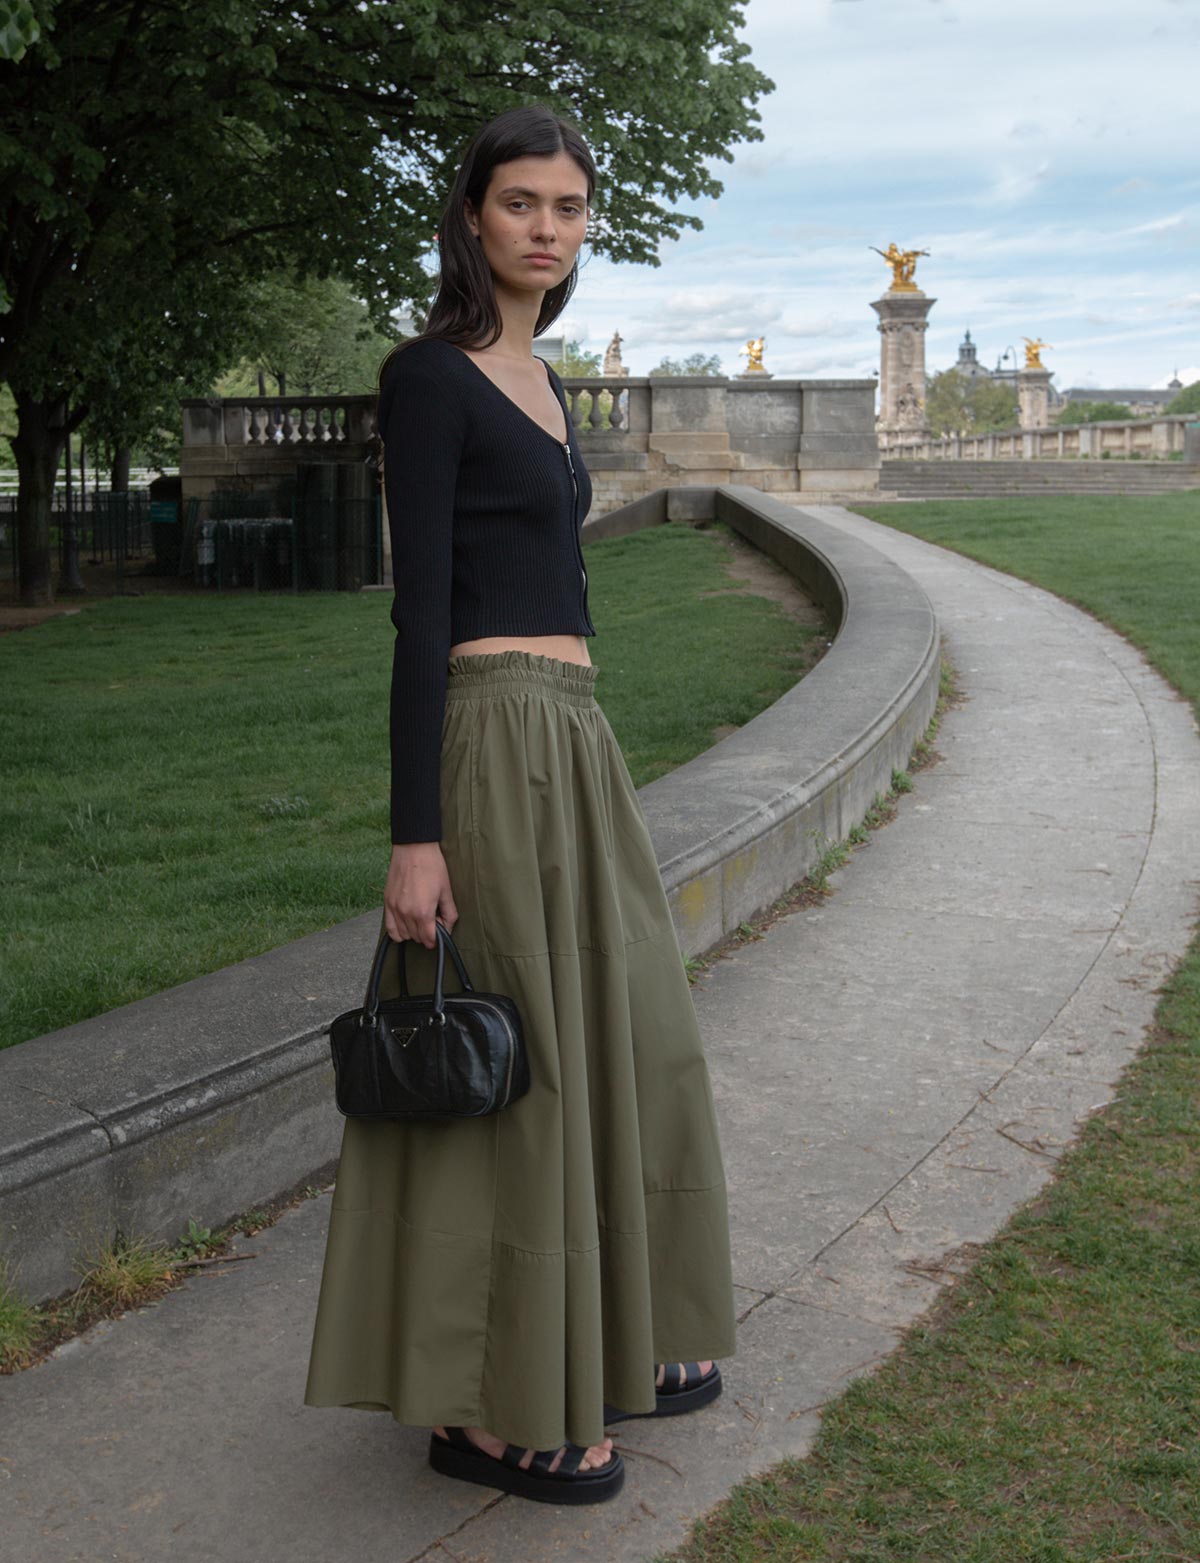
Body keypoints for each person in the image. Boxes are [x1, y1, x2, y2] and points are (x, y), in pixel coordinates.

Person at [304, 103, 736, 1507]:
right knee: (522, 1069)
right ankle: (490, 1407)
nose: (546, 227)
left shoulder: (544, 378)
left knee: (626, 1034)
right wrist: (414, 834)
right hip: (489, 739)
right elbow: (417, 613)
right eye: (519, 202)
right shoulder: (429, 377)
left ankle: (609, 1324)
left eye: (568, 206)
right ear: (472, 216)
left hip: (575, 740)